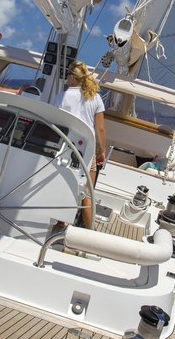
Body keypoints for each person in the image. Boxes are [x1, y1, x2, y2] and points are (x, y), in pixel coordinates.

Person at [52, 61, 108, 227]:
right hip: (88, 151)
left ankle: (60, 225)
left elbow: (55, 123)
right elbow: (101, 129)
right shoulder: (95, 98)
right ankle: (88, 234)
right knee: (87, 195)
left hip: (66, 149)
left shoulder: (61, 97)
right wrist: (102, 151)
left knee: (65, 186)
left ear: (71, 77)